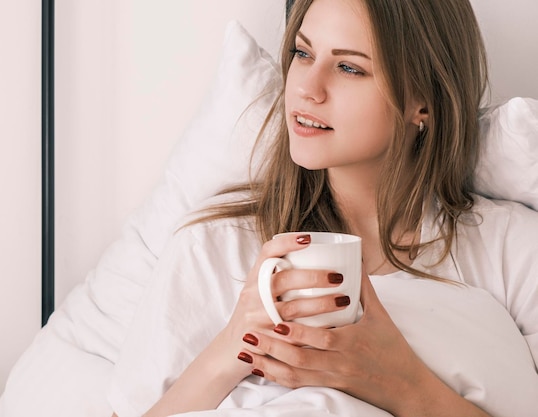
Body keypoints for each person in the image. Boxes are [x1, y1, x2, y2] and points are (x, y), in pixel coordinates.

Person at [109, 0, 538, 416]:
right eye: (302, 52)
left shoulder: (514, 251)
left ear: (421, 102)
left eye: (349, 67)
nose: (306, 89)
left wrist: (401, 383)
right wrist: (232, 348)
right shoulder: (213, 248)